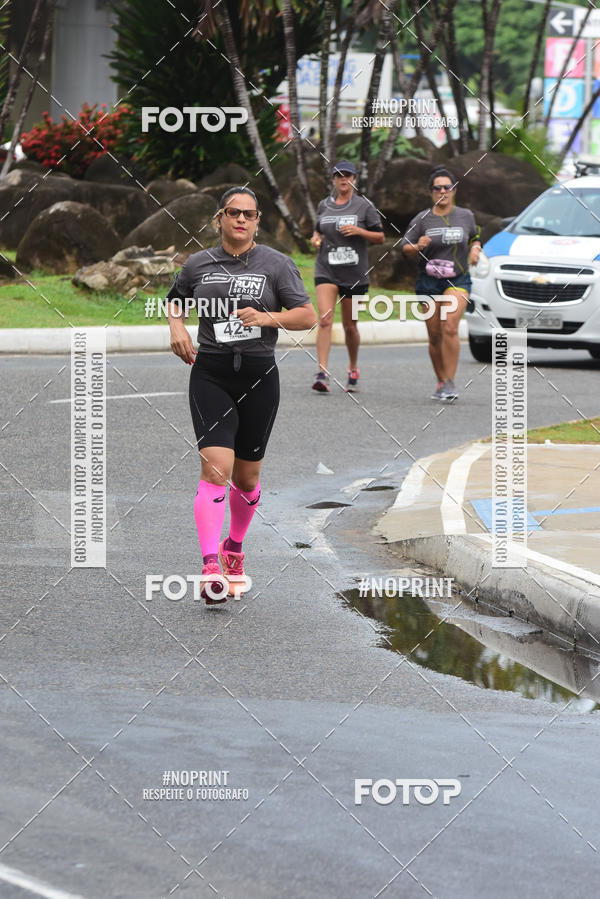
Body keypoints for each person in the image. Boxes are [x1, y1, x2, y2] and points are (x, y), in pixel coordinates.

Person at [166, 186, 316, 605]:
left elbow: (307, 316)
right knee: (216, 469)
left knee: (247, 479)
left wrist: (268, 316)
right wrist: (177, 327)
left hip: (258, 376)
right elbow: (175, 301)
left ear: (257, 221)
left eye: (249, 214)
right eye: (233, 213)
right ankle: (210, 565)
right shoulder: (198, 264)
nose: (241, 220)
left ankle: (234, 547)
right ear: (219, 218)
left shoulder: (277, 264)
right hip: (211, 373)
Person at [401, 166, 481, 402]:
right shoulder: (422, 219)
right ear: (431, 192)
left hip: (457, 279)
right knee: (434, 335)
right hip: (428, 282)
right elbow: (404, 247)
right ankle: (441, 380)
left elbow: (475, 237)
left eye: (448, 187)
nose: (443, 191)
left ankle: (450, 382)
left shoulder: (466, 216)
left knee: (450, 326)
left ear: (454, 190)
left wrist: (475, 249)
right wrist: (416, 247)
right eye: (438, 188)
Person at [309, 160, 385, 393]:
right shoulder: (324, 205)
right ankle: (322, 372)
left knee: (350, 326)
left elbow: (380, 237)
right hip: (326, 269)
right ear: (333, 179)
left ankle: (353, 367)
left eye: (347, 175)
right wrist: (315, 239)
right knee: (325, 320)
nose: (343, 179)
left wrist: (359, 231)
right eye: (339, 175)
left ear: (353, 179)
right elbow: (318, 230)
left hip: (354, 274)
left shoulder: (364, 206)